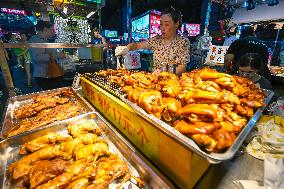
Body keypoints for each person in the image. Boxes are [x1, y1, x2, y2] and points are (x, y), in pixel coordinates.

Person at [115, 7, 190, 76]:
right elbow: (138, 45)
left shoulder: (183, 42)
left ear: (176, 24)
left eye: (166, 24)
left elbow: (182, 68)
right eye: (161, 24)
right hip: (154, 80)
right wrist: (127, 48)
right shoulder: (156, 40)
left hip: (173, 84)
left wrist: (164, 71)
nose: (162, 28)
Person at [28, 21, 65, 90]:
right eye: (52, 30)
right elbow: (37, 58)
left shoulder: (44, 40)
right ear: (45, 29)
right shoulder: (35, 40)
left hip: (49, 73)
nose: (53, 32)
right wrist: (57, 55)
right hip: (44, 75)